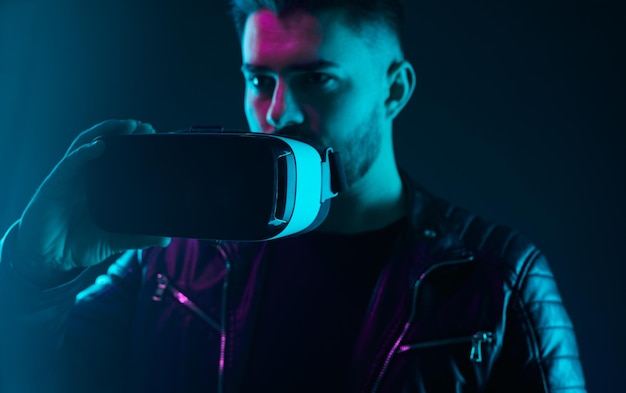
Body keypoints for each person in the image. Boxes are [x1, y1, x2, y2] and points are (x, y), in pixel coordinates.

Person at [0, 0, 586, 392]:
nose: (277, 112)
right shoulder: (170, 255)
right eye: (259, 80)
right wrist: (32, 273)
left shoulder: (501, 281)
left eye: (316, 78)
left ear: (395, 90)